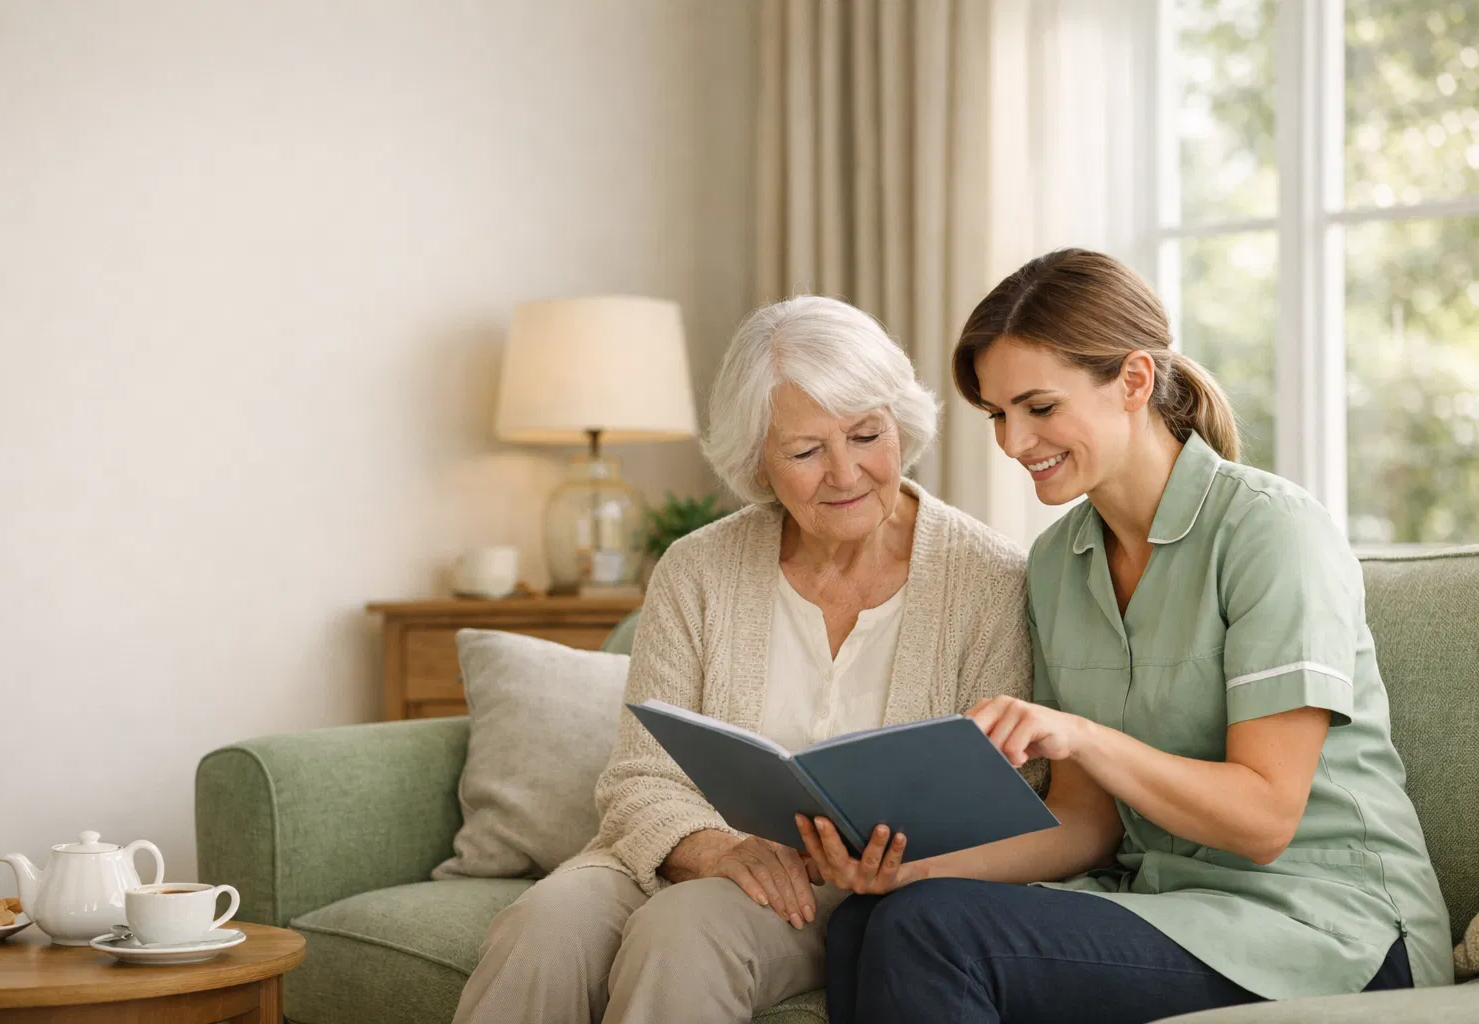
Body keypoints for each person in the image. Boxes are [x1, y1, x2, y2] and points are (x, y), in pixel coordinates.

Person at [812, 249, 1453, 1024]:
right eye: (997, 415)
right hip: (1171, 905)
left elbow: (1264, 819)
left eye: (1039, 408)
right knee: (865, 923)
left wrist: (1081, 737)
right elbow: (1088, 823)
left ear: (1135, 382)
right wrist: (915, 871)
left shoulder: (1271, 534)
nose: (1014, 443)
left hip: (1328, 925)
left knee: (936, 936)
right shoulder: (1057, 561)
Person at [451, 295, 1044, 1024]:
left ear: (902, 425)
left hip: (854, 891)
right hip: (678, 855)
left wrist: (898, 858)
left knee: (685, 935)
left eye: (866, 434)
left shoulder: (989, 579)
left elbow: (1017, 786)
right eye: (804, 451)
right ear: (758, 463)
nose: (845, 472)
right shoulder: (696, 569)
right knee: (538, 930)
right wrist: (713, 849)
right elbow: (640, 776)